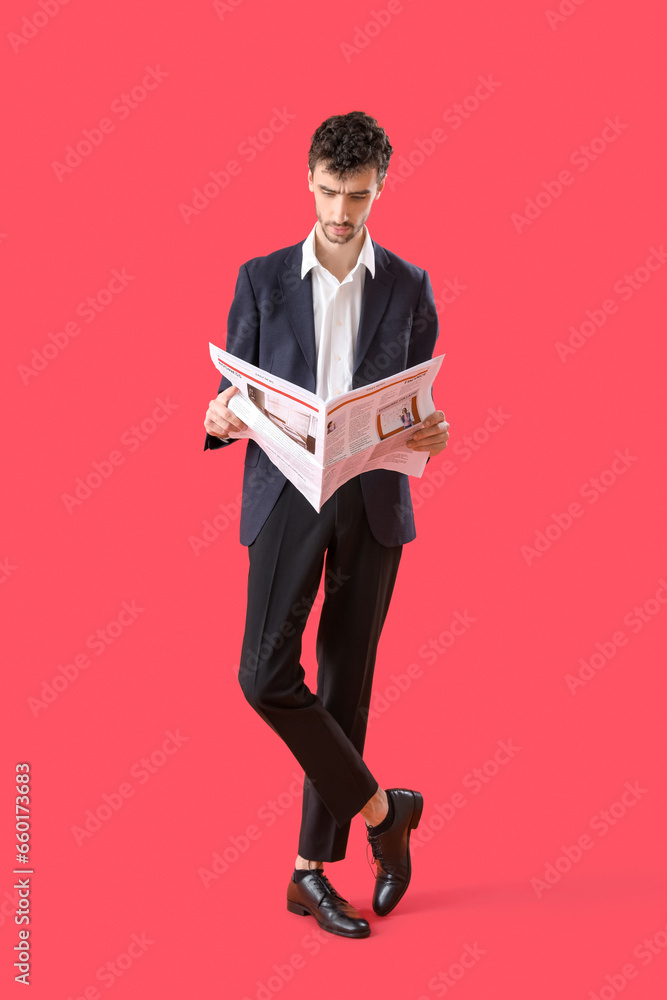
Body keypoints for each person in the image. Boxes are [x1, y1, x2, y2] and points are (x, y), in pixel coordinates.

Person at [203, 111, 449, 939]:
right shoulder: (260, 278)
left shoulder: (409, 285)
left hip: (372, 494)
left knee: (346, 682)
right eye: (329, 191)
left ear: (381, 185)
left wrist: (435, 430)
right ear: (307, 177)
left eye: (358, 196)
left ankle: (310, 873)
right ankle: (386, 812)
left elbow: (419, 401)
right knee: (263, 674)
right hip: (284, 490)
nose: (341, 212)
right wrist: (221, 412)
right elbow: (231, 388)